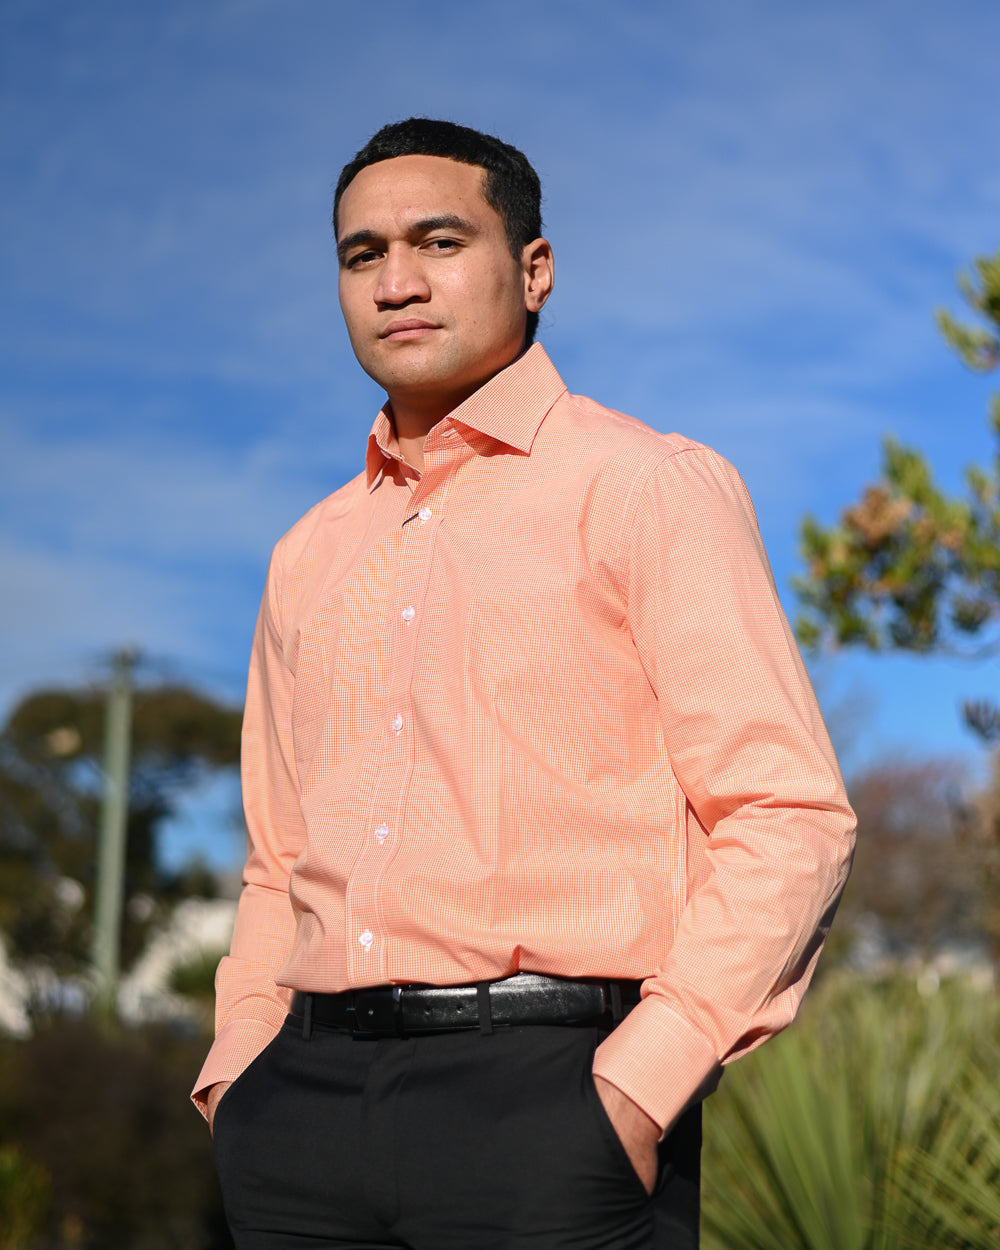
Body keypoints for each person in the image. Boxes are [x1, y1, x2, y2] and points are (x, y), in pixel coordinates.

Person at [194, 118, 855, 1249]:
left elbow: (786, 815)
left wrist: (639, 1085)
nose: (396, 281)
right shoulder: (305, 553)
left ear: (533, 269)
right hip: (297, 1118)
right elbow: (278, 859)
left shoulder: (647, 487)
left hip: (554, 1107)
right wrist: (237, 1075)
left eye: (438, 241)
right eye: (363, 255)